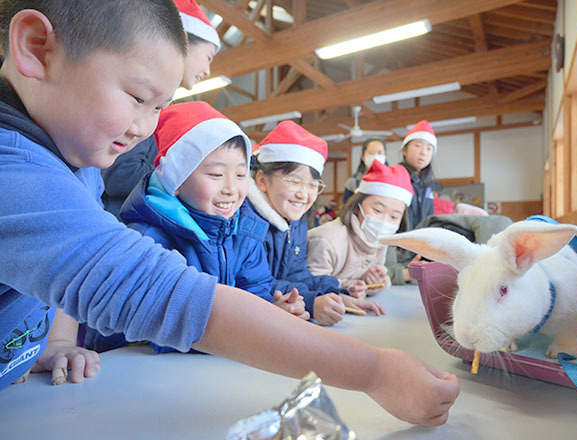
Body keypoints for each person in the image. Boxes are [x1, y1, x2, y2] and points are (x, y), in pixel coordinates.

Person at [0, 1, 459, 426]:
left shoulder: (77, 162)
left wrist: (49, 342)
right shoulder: (13, 172)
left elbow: (60, 279)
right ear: (37, 48)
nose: (144, 129)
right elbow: (162, 295)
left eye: (159, 107)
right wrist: (375, 371)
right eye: (138, 97)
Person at [84, 101, 308, 353]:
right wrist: (252, 328)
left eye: (240, 174)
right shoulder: (147, 240)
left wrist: (273, 313)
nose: (231, 188)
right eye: (215, 175)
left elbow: (256, 295)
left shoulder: (246, 233)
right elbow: (162, 328)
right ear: (176, 179)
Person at [247, 121, 384, 326]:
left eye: (313, 185)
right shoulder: (248, 223)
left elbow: (296, 274)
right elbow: (255, 285)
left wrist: (337, 293)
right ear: (262, 180)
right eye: (294, 181)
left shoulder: (295, 222)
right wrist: (312, 303)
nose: (304, 194)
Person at [101, 0, 221, 216]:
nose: (207, 70)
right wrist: (183, 176)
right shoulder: (143, 102)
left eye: (158, 107)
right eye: (208, 57)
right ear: (180, 40)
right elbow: (119, 173)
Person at [308, 160, 412, 297]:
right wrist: (345, 287)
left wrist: (372, 282)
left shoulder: (380, 240)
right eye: (377, 210)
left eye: (394, 217)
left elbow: (367, 281)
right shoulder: (327, 241)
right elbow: (310, 283)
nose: (384, 222)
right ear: (358, 206)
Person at [342, 138, 387, 203]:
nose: (376, 156)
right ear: (363, 157)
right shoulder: (353, 182)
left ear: (385, 156)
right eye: (371, 153)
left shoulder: (394, 179)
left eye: (379, 153)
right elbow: (346, 208)